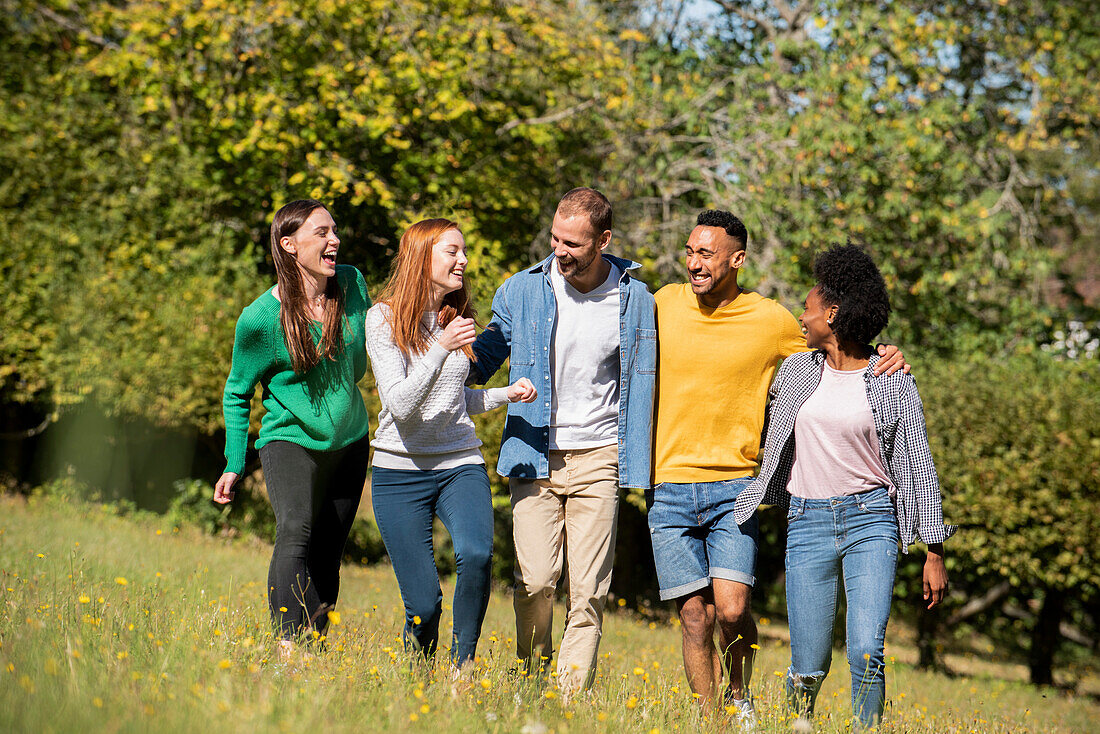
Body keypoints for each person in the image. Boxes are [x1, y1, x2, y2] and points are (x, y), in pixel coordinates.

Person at [648, 210, 907, 728]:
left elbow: (839, 353)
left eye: (707, 253)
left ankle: (740, 698)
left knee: (732, 608)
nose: (694, 263)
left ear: (737, 259)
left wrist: (886, 353)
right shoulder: (659, 305)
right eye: (690, 251)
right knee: (693, 616)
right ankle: (710, 718)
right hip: (668, 482)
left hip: (735, 486)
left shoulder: (773, 322)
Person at [732, 244, 954, 729]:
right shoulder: (797, 370)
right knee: (809, 665)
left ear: (832, 313)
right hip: (807, 521)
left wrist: (933, 550)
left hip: (871, 520)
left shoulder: (890, 378)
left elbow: (918, 464)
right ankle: (798, 725)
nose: (801, 315)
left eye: (807, 308)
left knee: (866, 650)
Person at [468, 187, 656, 696]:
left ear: (604, 239)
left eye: (572, 242)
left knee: (588, 590)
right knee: (535, 581)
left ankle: (569, 698)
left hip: (601, 454)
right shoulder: (521, 289)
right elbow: (486, 353)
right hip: (534, 448)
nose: (560, 251)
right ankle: (531, 674)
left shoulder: (635, 299)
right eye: (555, 238)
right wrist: (443, 357)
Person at [365, 218, 537, 672]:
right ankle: (418, 676)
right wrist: (440, 347)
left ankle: (464, 667)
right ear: (422, 257)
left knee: (478, 555)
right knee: (424, 603)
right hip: (398, 470)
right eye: (452, 251)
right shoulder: (382, 319)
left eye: (463, 252)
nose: (463, 260)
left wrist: (505, 394)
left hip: (460, 461)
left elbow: (452, 399)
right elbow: (401, 406)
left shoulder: (453, 318)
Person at [214, 199, 371, 658]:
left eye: (335, 231)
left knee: (327, 549)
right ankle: (287, 645)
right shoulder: (260, 319)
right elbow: (237, 392)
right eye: (321, 232)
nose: (334, 240)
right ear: (289, 244)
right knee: (297, 530)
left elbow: (359, 365)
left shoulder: (352, 284)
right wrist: (234, 462)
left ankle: (313, 649)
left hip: (351, 441)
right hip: (289, 437)